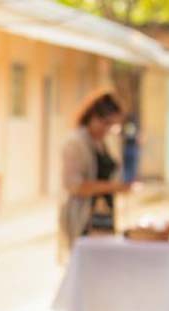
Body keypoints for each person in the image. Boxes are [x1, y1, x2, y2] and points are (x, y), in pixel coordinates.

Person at [58, 91, 131, 257]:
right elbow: (74, 185)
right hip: (83, 219)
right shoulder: (76, 143)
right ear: (93, 117)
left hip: (103, 217)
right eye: (106, 123)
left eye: (113, 126)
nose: (108, 129)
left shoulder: (103, 142)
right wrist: (113, 187)